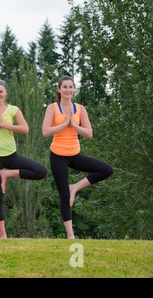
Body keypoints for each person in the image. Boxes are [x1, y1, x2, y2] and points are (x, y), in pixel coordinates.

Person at [0, 78, 47, 238]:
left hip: (11, 156)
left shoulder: (13, 110)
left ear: (5, 92)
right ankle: (3, 236)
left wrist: (4, 125)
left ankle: (6, 173)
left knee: (41, 171)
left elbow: (25, 129)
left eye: (0, 92)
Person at [42, 75, 113, 239]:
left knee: (106, 169)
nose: (68, 90)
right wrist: (64, 123)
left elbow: (89, 133)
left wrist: (73, 124)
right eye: (64, 87)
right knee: (64, 197)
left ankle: (75, 187)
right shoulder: (53, 108)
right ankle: (70, 235)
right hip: (58, 155)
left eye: (70, 87)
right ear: (59, 90)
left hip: (75, 154)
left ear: (74, 89)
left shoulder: (80, 109)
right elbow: (45, 132)